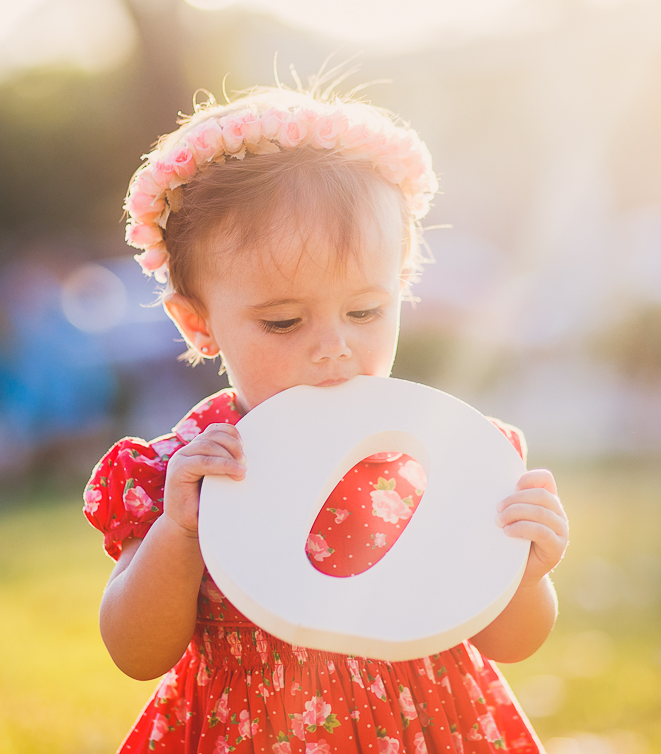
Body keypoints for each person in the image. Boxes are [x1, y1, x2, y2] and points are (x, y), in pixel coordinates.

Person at [82, 79, 569, 753]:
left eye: (365, 311)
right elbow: (136, 651)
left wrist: (527, 568)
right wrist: (179, 534)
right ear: (198, 323)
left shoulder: (441, 455)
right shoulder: (187, 471)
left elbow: (513, 641)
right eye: (283, 321)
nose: (334, 347)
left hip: (423, 726)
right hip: (252, 730)